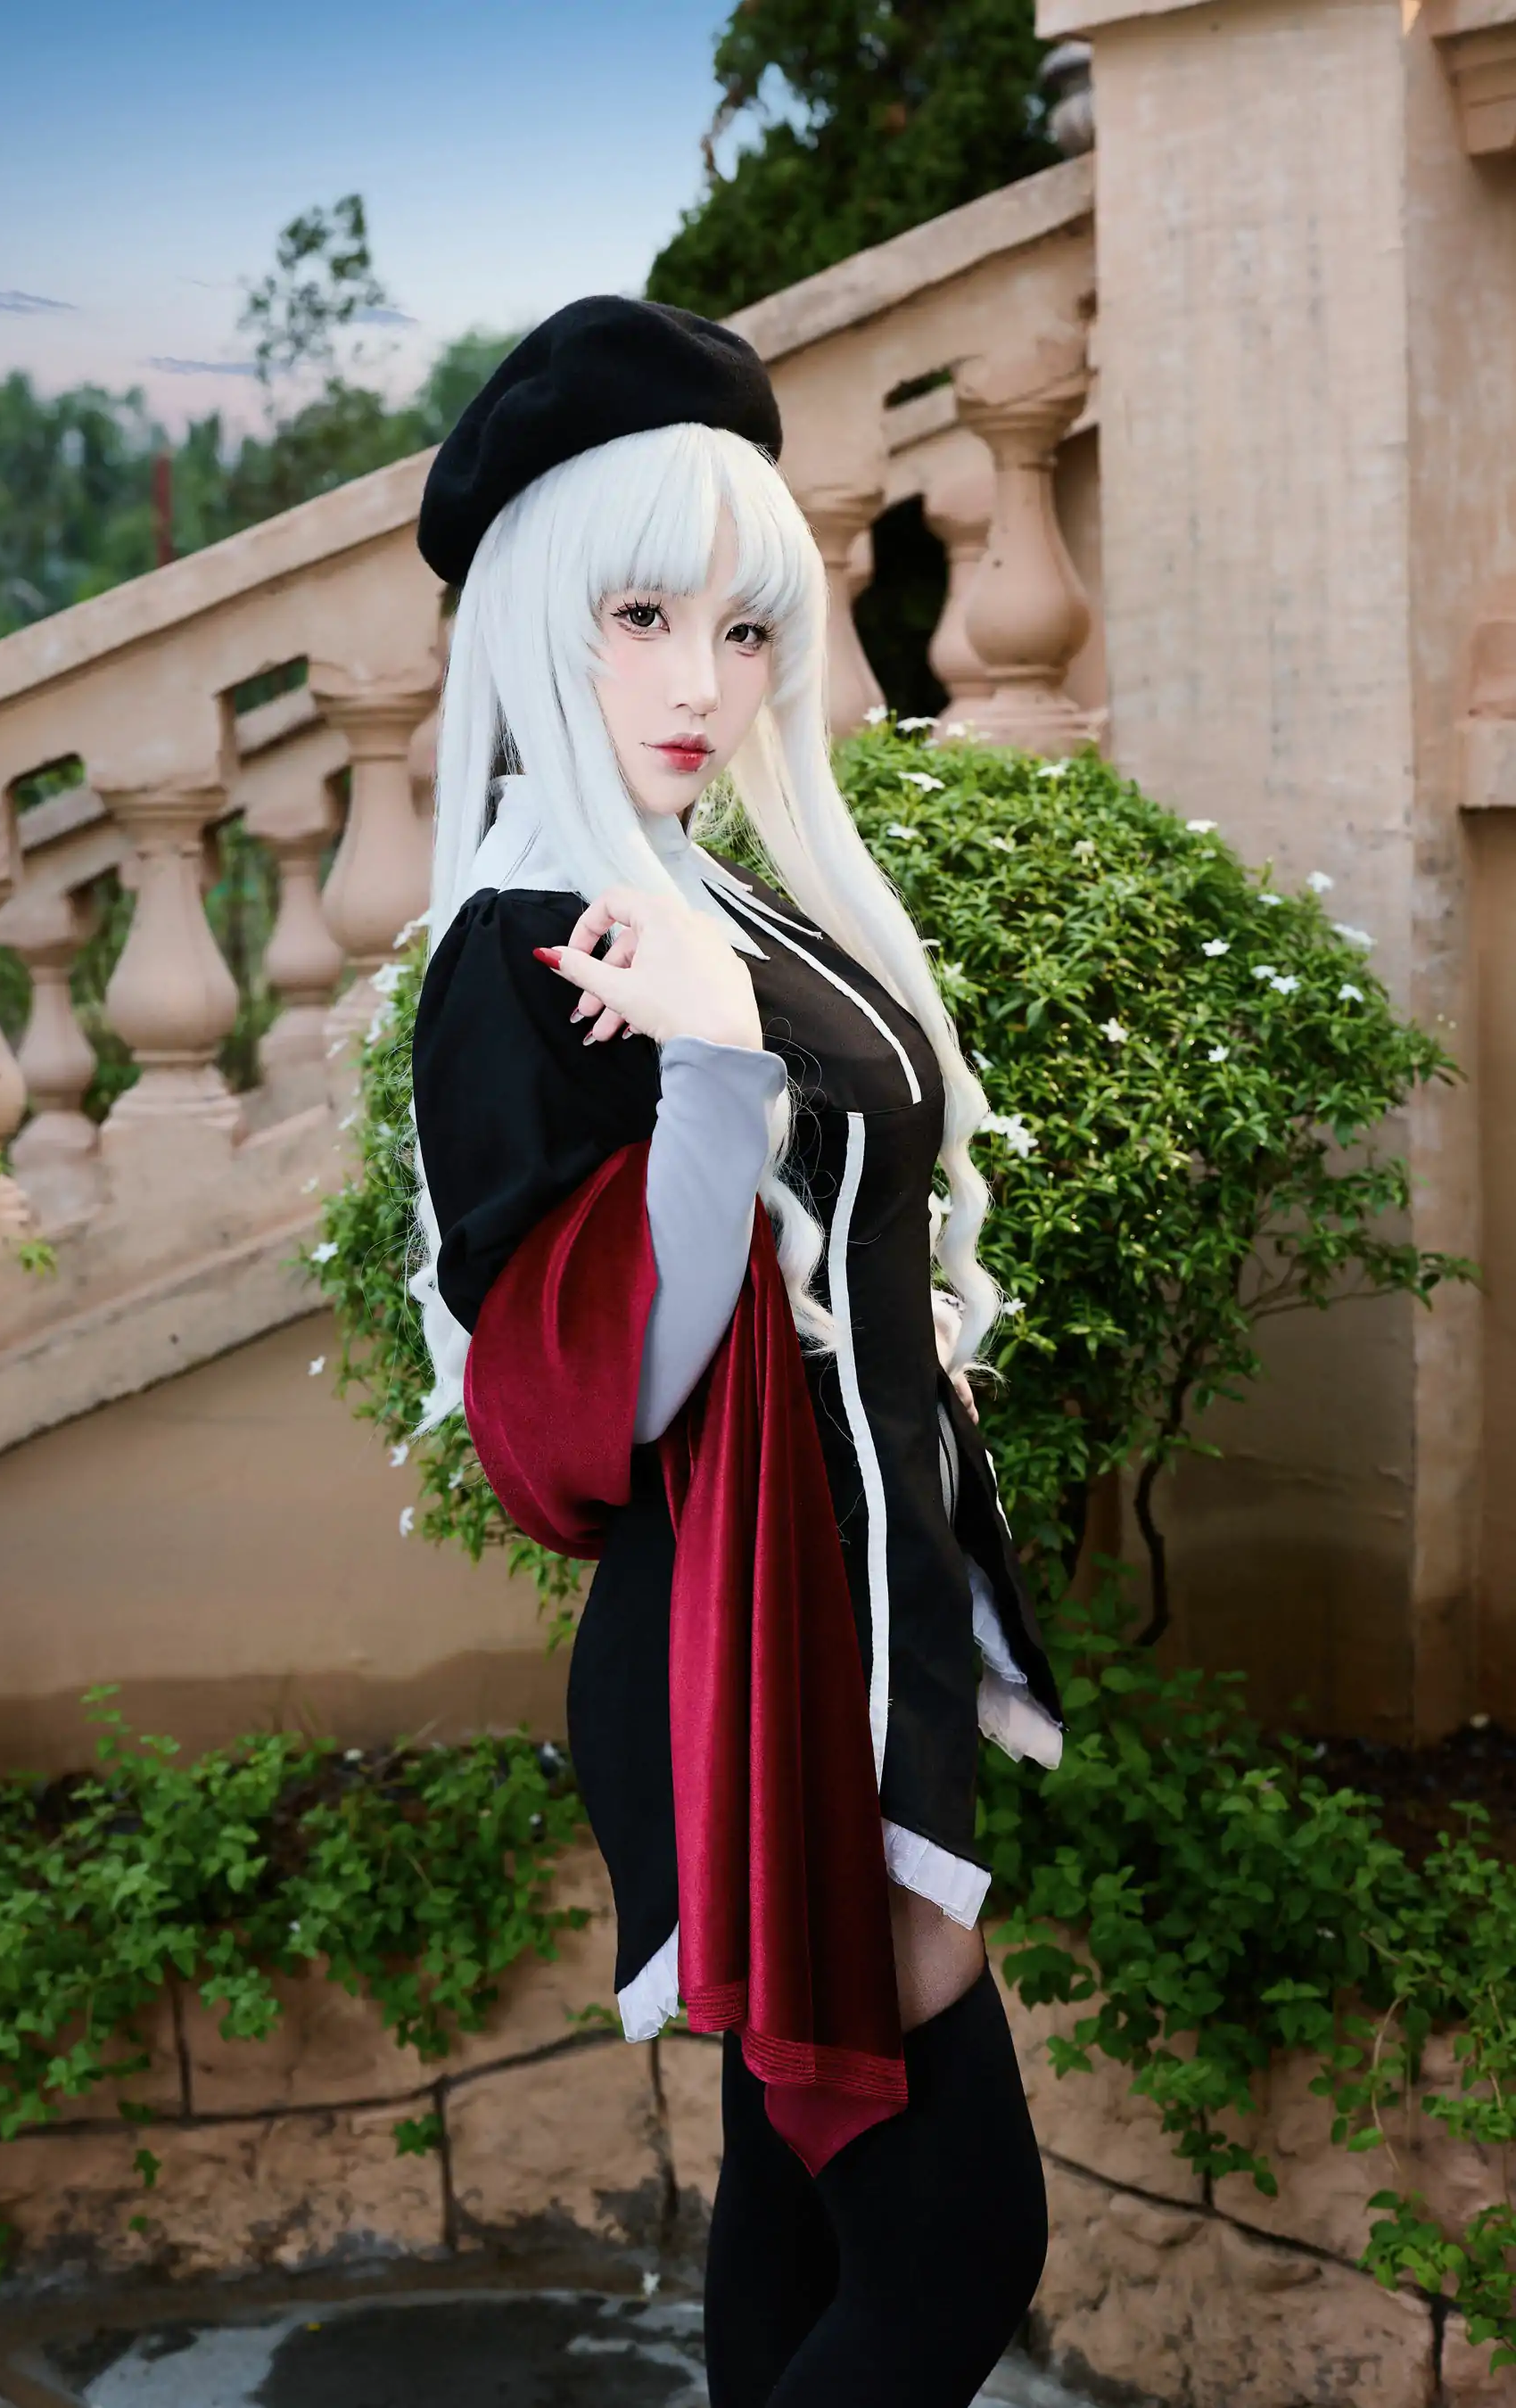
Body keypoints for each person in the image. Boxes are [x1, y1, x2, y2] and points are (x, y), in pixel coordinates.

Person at [408, 296, 1066, 2408]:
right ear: (539, 619)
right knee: (955, 2248)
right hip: (744, 1657)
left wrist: (904, 1340)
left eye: (748, 627)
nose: (703, 681)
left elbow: (838, 1241)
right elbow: (581, 1406)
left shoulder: (691, 888)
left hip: (850, 1615)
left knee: (802, 2223)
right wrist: (709, 1074)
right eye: (642, 619)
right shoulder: (531, 940)